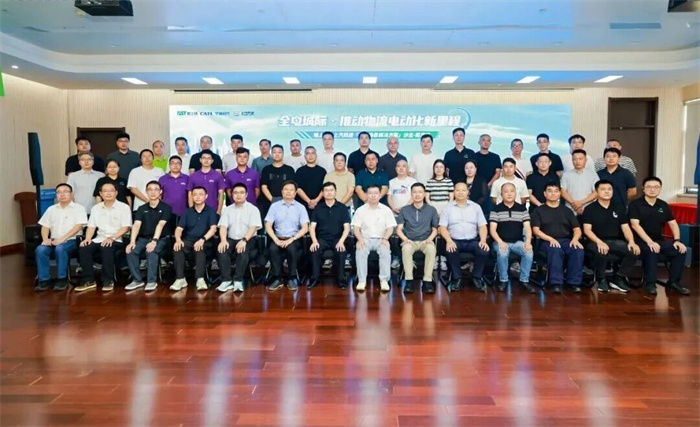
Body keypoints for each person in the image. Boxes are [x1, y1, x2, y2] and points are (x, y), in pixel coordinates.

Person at [629, 176, 689, 295]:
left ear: (660, 189)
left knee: (680, 250)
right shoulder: (635, 205)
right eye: (649, 187)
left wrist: (677, 240)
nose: (652, 189)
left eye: (656, 187)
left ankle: (673, 282)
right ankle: (650, 283)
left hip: (658, 240)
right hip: (639, 241)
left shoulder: (663, 205)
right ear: (643, 188)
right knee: (652, 249)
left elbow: (673, 224)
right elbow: (635, 225)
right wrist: (650, 242)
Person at [582, 180, 639, 293]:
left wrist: (632, 241)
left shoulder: (619, 207)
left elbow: (626, 228)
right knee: (601, 250)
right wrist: (599, 242)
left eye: (609, 189)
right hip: (594, 241)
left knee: (634, 250)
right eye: (603, 189)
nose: (607, 192)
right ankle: (601, 279)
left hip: (615, 241)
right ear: (596, 192)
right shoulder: (589, 209)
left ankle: (618, 277)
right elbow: (587, 230)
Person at [74, 182, 132, 292]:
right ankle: (89, 280)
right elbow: (91, 227)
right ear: (100, 193)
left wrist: (112, 238)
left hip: (117, 239)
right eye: (105, 191)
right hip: (99, 238)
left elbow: (125, 228)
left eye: (111, 191)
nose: (108, 193)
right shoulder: (96, 208)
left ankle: (108, 280)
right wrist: (87, 239)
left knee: (106, 247)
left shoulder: (124, 207)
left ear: (116, 193)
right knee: (84, 248)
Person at [531, 182, 585, 293]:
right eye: (550, 191)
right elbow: (536, 230)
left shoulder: (567, 211)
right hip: (546, 241)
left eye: (556, 191)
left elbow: (577, 229)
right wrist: (550, 239)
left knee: (577, 249)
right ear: (545, 194)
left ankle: (573, 282)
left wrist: (575, 239)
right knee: (555, 250)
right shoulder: (538, 211)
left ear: (560, 194)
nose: (553, 194)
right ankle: (556, 283)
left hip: (566, 240)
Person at [34, 183, 88, 292]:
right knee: (40, 249)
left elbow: (78, 226)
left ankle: (61, 279)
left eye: (65, 191)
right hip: (53, 240)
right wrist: (45, 239)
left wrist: (62, 239)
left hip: (72, 240)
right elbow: (45, 226)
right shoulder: (51, 209)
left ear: (71, 194)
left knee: (60, 248)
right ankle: (44, 280)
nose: (62, 194)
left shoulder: (79, 208)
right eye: (59, 192)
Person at [439, 182, 490, 292]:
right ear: (454, 192)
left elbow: (482, 226)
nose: (460, 193)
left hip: (473, 241)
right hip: (454, 241)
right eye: (457, 190)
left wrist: (483, 240)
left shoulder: (476, 207)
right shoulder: (447, 208)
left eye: (463, 190)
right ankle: (457, 278)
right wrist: (448, 240)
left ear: (468, 192)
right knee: (451, 250)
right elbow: (442, 227)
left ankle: (476, 277)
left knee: (483, 250)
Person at [125, 181, 173, 292]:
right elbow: (136, 225)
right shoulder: (141, 208)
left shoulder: (166, 208)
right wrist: (132, 241)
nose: (153, 192)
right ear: (146, 192)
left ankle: (151, 281)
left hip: (161, 239)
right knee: (131, 251)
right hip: (143, 239)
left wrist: (154, 241)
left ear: (160, 192)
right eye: (150, 189)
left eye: (156, 189)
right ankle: (137, 280)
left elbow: (160, 225)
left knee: (151, 251)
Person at [216, 183, 262, 293]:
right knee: (222, 250)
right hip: (231, 239)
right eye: (236, 193)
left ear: (246, 194)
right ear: (232, 195)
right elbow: (223, 227)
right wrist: (223, 240)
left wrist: (244, 240)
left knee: (242, 250)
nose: (238, 195)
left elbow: (253, 227)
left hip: (248, 239)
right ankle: (226, 280)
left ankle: (238, 280)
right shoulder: (227, 210)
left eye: (241, 192)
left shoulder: (253, 209)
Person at [489, 182, 536, 293]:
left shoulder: (522, 209)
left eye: (512, 191)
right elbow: (492, 230)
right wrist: (500, 242)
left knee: (528, 252)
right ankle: (503, 280)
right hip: (500, 242)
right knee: (503, 253)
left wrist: (528, 242)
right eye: (506, 192)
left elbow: (528, 228)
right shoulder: (496, 209)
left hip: (517, 242)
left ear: (516, 193)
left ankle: (524, 280)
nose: (509, 194)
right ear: (501, 194)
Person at [170, 186, 218, 292]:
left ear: (206, 196)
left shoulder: (211, 211)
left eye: (200, 194)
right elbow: (179, 228)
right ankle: (180, 278)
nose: (197, 197)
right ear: (191, 196)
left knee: (200, 248)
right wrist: (178, 239)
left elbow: (213, 229)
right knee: (178, 248)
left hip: (205, 241)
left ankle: (200, 279)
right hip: (188, 240)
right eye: (195, 194)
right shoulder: (187, 212)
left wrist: (202, 239)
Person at [265, 181, 310, 291]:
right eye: (286, 189)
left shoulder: (300, 207)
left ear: (295, 193)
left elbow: (305, 228)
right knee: (273, 249)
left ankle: (292, 278)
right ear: (282, 191)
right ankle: (277, 278)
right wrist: (275, 239)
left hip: (294, 238)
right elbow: (268, 225)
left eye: (291, 190)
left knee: (291, 249)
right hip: (278, 238)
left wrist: (292, 239)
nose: (288, 192)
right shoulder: (274, 206)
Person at [352, 185, 396, 292]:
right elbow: (356, 228)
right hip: (365, 239)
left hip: (381, 239)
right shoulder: (360, 210)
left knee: (385, 251)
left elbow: (390, 228)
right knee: (360, 251)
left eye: (376, 193)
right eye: (370, 193)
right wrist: (360, 239)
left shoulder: (386, 210)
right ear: (366, 195)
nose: (373, 196)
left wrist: (385, 239)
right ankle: (362, 280)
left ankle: (384, 280)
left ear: (380, 195)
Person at [396, 183, 439, 293]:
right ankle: (409, 280)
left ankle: (427, 281)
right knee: (406, 249)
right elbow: (399, 229)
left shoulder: (431, 210)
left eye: (420, 192)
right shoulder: (405, 210)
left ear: (424, 194)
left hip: (426, 240)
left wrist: (430, 239)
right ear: (411, 194)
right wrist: (405, 239)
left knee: (431, 249)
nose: (417, 194)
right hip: (410, 241)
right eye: (414, 192)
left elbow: (435, 229)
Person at [309, 182, 351, 289]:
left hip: (337, 239)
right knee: (314, 250)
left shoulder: (342, 208)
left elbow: (347, 227)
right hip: (322, 239)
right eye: (326, 191)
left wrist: (341, 241)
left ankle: (341, 280)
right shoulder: (318, 208)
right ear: (323, 193)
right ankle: (315, 279)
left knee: (341, 251)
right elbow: (312, 227)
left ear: (335, 192)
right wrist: (314, 241)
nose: (329, 193)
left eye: (331, 190)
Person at [187, 149, 226, 215]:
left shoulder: (218, 176)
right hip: (196, 210)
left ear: (212, 161)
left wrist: (219, 211)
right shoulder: (193, 176)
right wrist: (191, 210)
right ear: (200, 160)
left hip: (213, 210)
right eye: (204, 158)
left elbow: (221, 194)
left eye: (208, 158)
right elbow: (190, 193)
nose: (206, 160)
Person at [260, 144, 296, 215]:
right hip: (269, 203)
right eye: (274, 152)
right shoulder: (266, 169)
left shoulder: (290, 170)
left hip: (287, 203)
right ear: (271, 154)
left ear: (283, 154)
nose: (277, 154)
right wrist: (273, 200)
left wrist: (285, 201)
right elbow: (264, 187)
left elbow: (293, 187)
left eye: (279, 152)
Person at [560, 149, 599, 215]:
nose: (577, 161)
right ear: (572, 160)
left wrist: (581, 203)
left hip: (588, 209)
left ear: (585, 160)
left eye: (580, 159)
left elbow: (596, 192)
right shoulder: (566, 174)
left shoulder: (593, 174)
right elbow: (563, 192)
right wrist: (574, 204)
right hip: (570, 210)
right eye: (574, 159)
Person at [295, 146, 327, 213]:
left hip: (319, 204)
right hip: (302, 205)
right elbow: (298, 188)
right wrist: (309, 201)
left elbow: (325, 188)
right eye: (308, 153)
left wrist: (316, 201)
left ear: (316, 155)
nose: (310, 155)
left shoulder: (322, 171)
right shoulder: (299, 171)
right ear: (304, 156)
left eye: (313, 153)